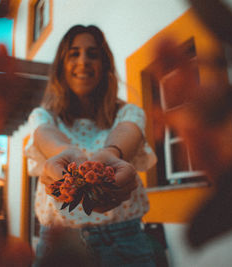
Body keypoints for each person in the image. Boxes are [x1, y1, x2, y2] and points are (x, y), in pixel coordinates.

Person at [25, 25, 158, 267]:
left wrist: (111, 153)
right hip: (58, 245)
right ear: (61, 66)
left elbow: (128, 130)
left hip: (124, 243)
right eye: (74, 53)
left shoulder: (129, 112)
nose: (83, 61)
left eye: (93, 54)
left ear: (105, 65)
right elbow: (45, 134)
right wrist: (65, 153)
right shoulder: (43, 116)